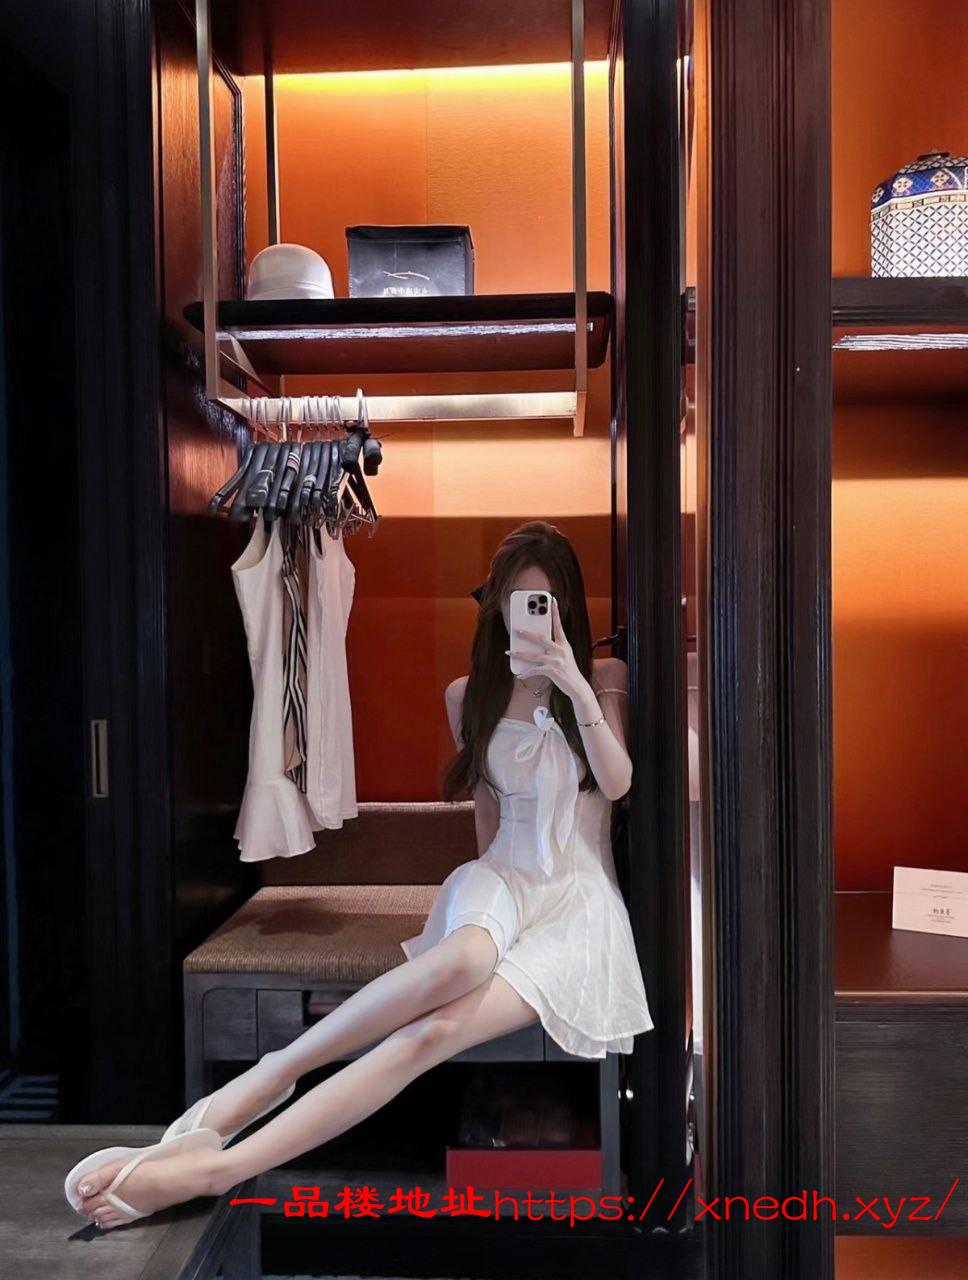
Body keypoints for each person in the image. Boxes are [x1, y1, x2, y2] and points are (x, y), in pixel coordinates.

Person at [66, 520, 654, 1230]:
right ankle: (267, 1078)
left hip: (577, 902)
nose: (527, 619)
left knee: (431, 1035)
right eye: (515, 603)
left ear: (567, 609)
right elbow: (489, 821)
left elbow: (617, 784)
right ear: (495, 607)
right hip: (502, 877)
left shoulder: (603, 683)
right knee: (462, 960)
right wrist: (489, 910)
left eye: (544, 603)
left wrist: (571, 684)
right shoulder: (467, 695)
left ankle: (218, 1165)